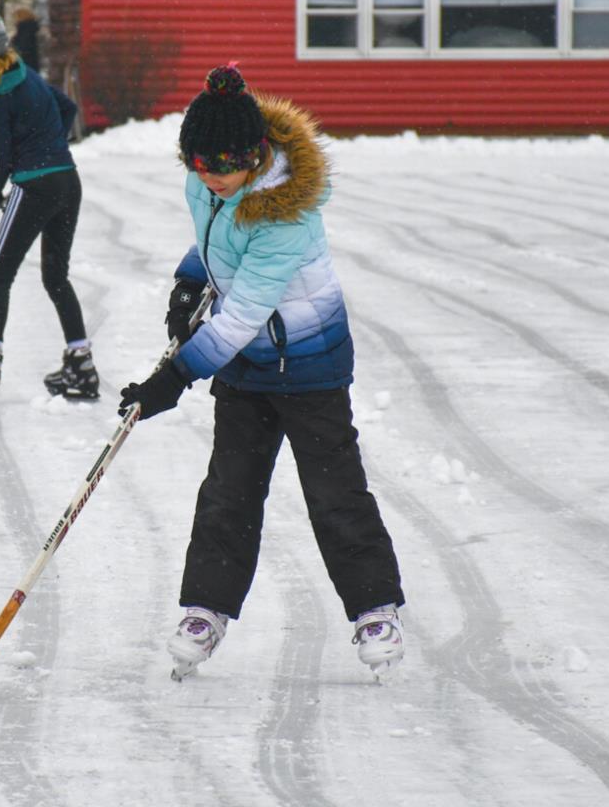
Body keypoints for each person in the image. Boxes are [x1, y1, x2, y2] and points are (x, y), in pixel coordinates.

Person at [119, 64, 407, 680]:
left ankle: (375, 610)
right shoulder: (209, 181)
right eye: (199, 166)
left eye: (221, 169)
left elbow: (245, 311)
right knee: (229, 492)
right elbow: (215, 237)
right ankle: (205, 610)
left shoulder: (287, 216)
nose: (209, 180)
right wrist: (190, 280)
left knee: (335, 494)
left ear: (254, 157)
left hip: (310, 364)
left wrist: (176, 375)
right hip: (247, 369)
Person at [0, 0, 95, 402]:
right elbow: (67, 108)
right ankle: (81, 365)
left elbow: (2, 158)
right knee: (56, 277)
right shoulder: (25, 74)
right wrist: (47, 149)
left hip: (35, 186)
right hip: (67, 180)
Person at [10, 8, 42, 72]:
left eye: (15, 18)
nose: (14, 21)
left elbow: (23, 48)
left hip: (25, 66)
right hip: (30, 66)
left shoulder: (25, 31)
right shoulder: (29, 29)